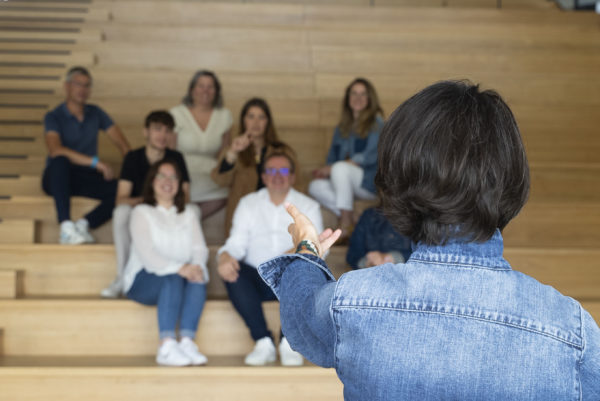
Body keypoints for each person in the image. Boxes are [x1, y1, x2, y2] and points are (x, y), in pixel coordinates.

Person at [258, 81, 600, 399]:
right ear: (513, 179)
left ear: (396, 177)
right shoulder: (573, 330)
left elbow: (302, 312)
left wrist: (306, 246)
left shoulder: (353, 302)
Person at [217, 147, 323, 366]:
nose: (277, 176)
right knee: (232, 271)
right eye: (271, 171)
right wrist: (225, 257)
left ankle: (290, 342)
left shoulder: (308, 206)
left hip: (290, 276)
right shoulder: (248, 203)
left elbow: (316, 246)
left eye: (283, 171)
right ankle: (263, 340)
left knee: (306, 268)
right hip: (256, 278)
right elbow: (236, 244)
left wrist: (286, 260)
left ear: (292, 176)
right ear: (263, 176)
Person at [123, 160, 209, 367]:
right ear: (152, 181)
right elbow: (147, 254)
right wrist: (181, 268)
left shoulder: (189, 213)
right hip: (143, 280)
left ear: (180, 183)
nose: (167, 181)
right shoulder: (141, 212)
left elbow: (199, 248)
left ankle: (187, 342)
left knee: (199, 277)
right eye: (161, 176)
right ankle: (167, 345)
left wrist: (196, 267)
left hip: (178, 278)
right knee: (172, 279)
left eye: (173, 177)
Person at [101, 111, 192, 298]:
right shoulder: (133, 158)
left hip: (168, 211)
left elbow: (185, 197)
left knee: (194, 211)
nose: (162, 135)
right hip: (140, 213)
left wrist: (162, 203)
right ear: (146, 132)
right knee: (121, 212)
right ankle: (121, 276)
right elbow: (121, 198)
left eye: (167, 131)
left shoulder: (177, 158)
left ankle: (188, 271)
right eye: (157, 129)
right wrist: (148, 201)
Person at [42, 66, 130, 244]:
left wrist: (132, 173)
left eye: (87, 85)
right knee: (60, 161)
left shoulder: (96, 113)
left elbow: (122, 144)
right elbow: (55, 149)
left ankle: (83, 224)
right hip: (57, 178)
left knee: (125, 190)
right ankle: (66, 227)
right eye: (78, 84)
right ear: (67, 86)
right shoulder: (53, 116)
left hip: (85, 178)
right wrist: (95, 162)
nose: (82, 90)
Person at [308, 78, 384, 239]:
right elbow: (331, 160)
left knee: (340, 168)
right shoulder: (341, 128)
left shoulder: (376, 123)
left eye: (363, 94)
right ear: (348, 98)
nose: (358, 98)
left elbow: (371, 156)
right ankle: (353, 218)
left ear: (370, 99)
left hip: (368, 182)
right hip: (344, 183)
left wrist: (336, 167)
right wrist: (325, 171)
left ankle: (345, 223)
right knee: (315, 186)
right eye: (354, 93)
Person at [211, 97, 295, 235]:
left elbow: (295, 185)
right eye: (251, 117)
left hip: (276, 214)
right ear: (244, 120)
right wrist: (233, 152)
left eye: (261, 117)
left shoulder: (282, 151)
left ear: (268, 122)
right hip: (244, 217)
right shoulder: (233, 150)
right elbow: (220, 181)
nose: (256, 122)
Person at [170, 70, 232, 219]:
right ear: (192, 90)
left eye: (210, 87)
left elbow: (224, 153)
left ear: (216, 91)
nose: (205, 90)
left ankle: (190, 221)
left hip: (211, 175)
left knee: (228, 193)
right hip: (183, 173)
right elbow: (170, 152)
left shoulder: (224, 115)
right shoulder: (176, 114)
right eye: (201, 86)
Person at [346, 207, 412, 269]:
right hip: (371, 274)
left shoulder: (415, 217)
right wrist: (368, 261)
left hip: (406, 275)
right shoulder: (369, 215)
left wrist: (393, 257)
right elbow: (352, 255)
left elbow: (420, 255)